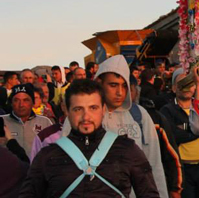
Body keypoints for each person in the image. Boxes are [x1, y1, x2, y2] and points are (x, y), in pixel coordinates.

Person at [20, 79, 159, 197]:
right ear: (66, 110)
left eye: (93, 108)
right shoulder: (47, 157)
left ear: (103, 109)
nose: (86, 117)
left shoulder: (128, 150)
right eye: (78, 109)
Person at [62, 55, 170, 196]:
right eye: (113, 85)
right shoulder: (82, 117)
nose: (120, 92)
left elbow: (154, 164)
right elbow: (65, 166)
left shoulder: (139, 115)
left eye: (124, 86)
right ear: (100, 83)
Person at [160, 68, 199, 198]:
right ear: (174, 88)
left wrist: (186, 129)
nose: (186, 87)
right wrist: (198, 130)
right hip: (182, 169)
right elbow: (173, 135)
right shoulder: (167, 110)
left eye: (190, 83)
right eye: (181, 83)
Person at [1, 84, 53, 159]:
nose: (21, 105)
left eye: (26, 100)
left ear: (32, 102)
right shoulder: (2, 121)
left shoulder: (45, 122)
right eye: (16, 100)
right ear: (11, 103)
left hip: (36, 169)